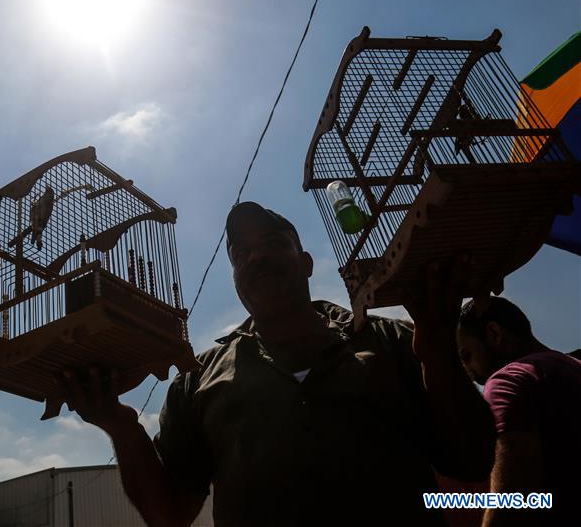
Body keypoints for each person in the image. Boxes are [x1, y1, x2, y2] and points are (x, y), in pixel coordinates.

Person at [62, 202, 495, 527]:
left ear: (306, 263)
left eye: (272, 244)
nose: (255, 258)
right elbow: (169, 514)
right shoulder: (198, 380)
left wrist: (439, 353)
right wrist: (121, 426)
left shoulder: (393, 341)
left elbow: (474, 461)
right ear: (233, 276)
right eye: (240, 253)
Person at [457, 297, 581, 526]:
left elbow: (511, 504)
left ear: (494, 334)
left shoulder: (508, 381)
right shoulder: (572, 367)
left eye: (466, 356)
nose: (467, 370)